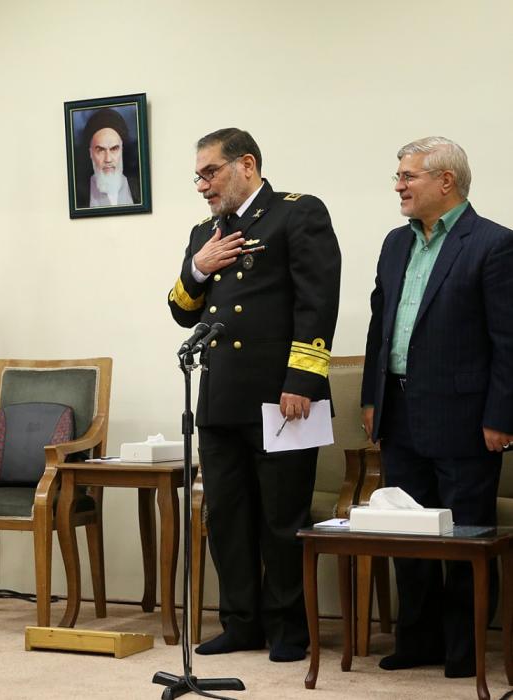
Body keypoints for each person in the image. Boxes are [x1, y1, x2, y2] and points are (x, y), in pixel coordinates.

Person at [168, 128, 341, 662]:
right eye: (198, 176)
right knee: (227, 516)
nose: (203, 185)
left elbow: (317, 302)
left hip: (281, 397)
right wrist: (198, 267)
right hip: (221, 397)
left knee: (282, 519)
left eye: (210, 172)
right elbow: (182, 311)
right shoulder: (205, 232)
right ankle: (240, 623)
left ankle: (289, 629)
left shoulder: (297, 213)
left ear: (246, 164)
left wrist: (302, 381)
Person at [361, 136, 513, 678]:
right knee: (409, 535)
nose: (398, 186)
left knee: (465, 536)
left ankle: (463, 648)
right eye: (399, 176)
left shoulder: (493, 244)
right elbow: (380, 326)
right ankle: (418, 640)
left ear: (446, 181)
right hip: (399, 412)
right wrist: (372, 397)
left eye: (408, 176)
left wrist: (501, 416)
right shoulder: (394, 244)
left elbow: (508, 341)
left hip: (466, 419)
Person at [79, 107, 141, 208]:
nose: (108, 159)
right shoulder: (78, 196)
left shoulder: (139, 189)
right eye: (100, 150)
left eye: (114, 149)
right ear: (91, 153)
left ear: (122, 150)